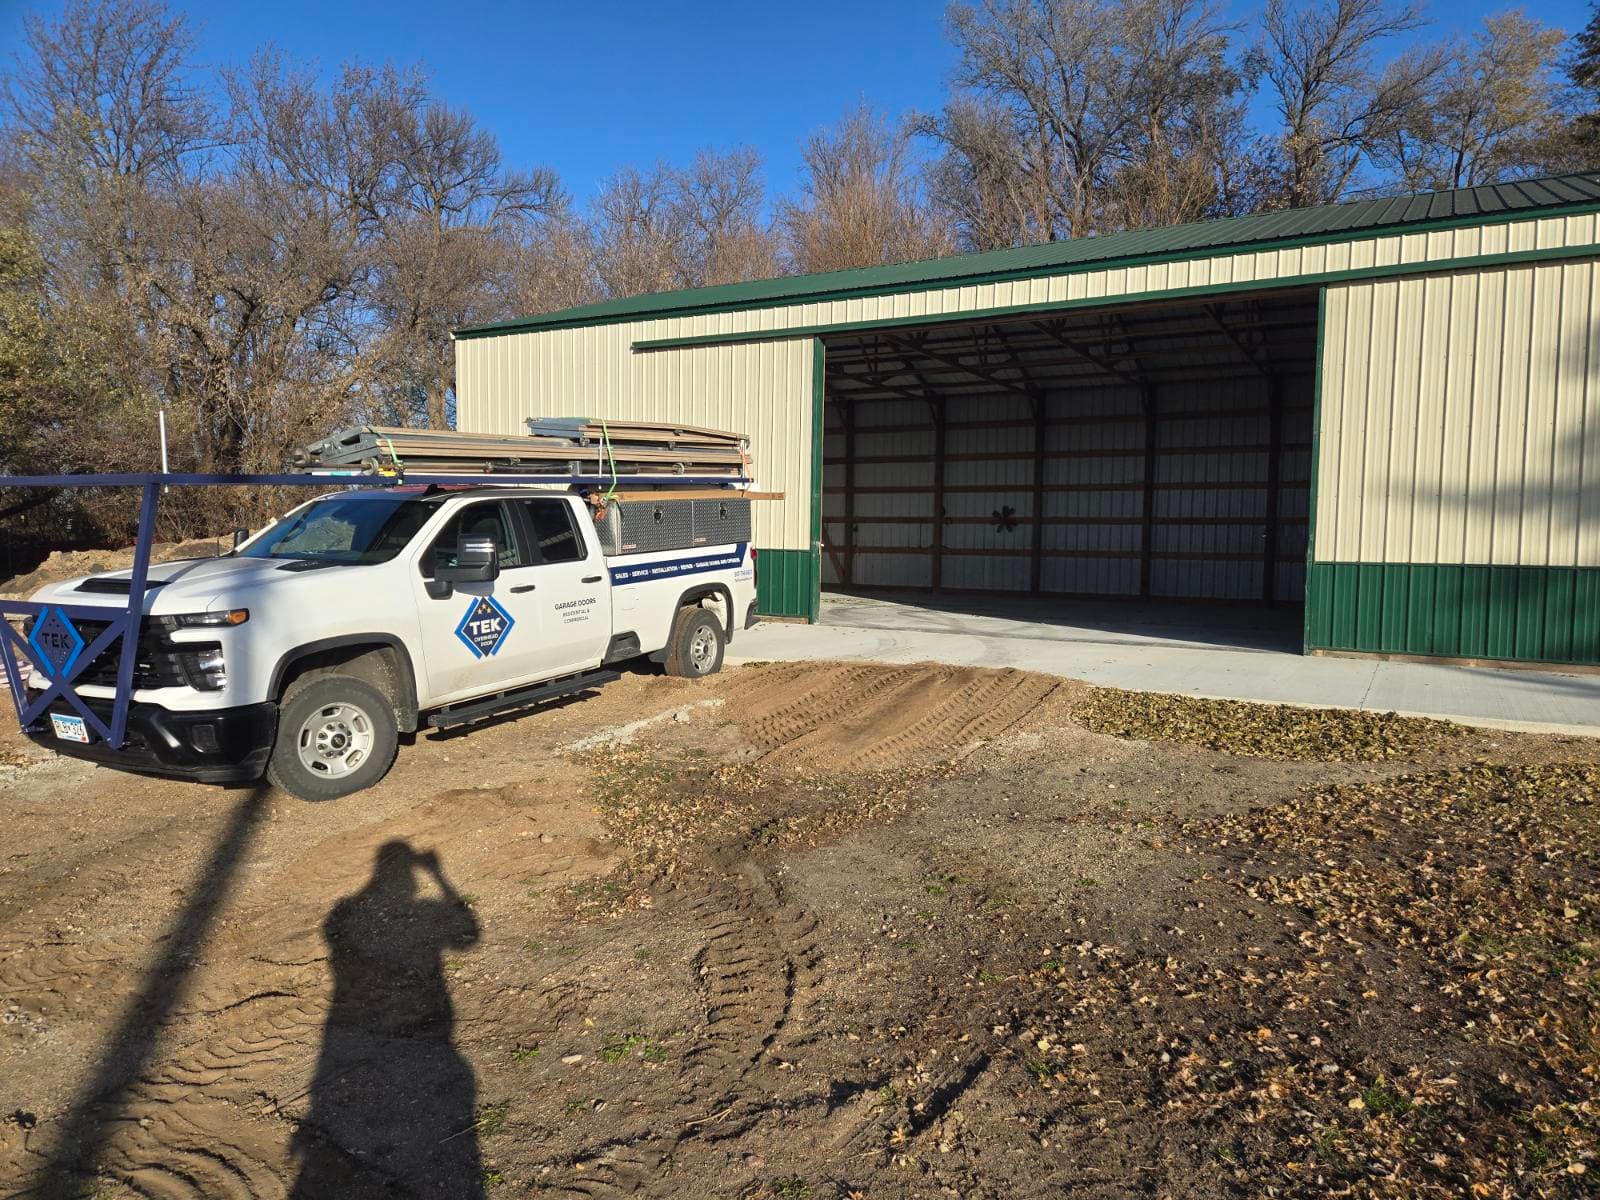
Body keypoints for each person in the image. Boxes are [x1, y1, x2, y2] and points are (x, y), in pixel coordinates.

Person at [289, 840, 482, 1198]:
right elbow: (468, 936)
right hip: (416, 1025)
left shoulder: (344, 911)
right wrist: (440, 878)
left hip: (350, 1026)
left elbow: (334, 934)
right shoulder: (402, 909)